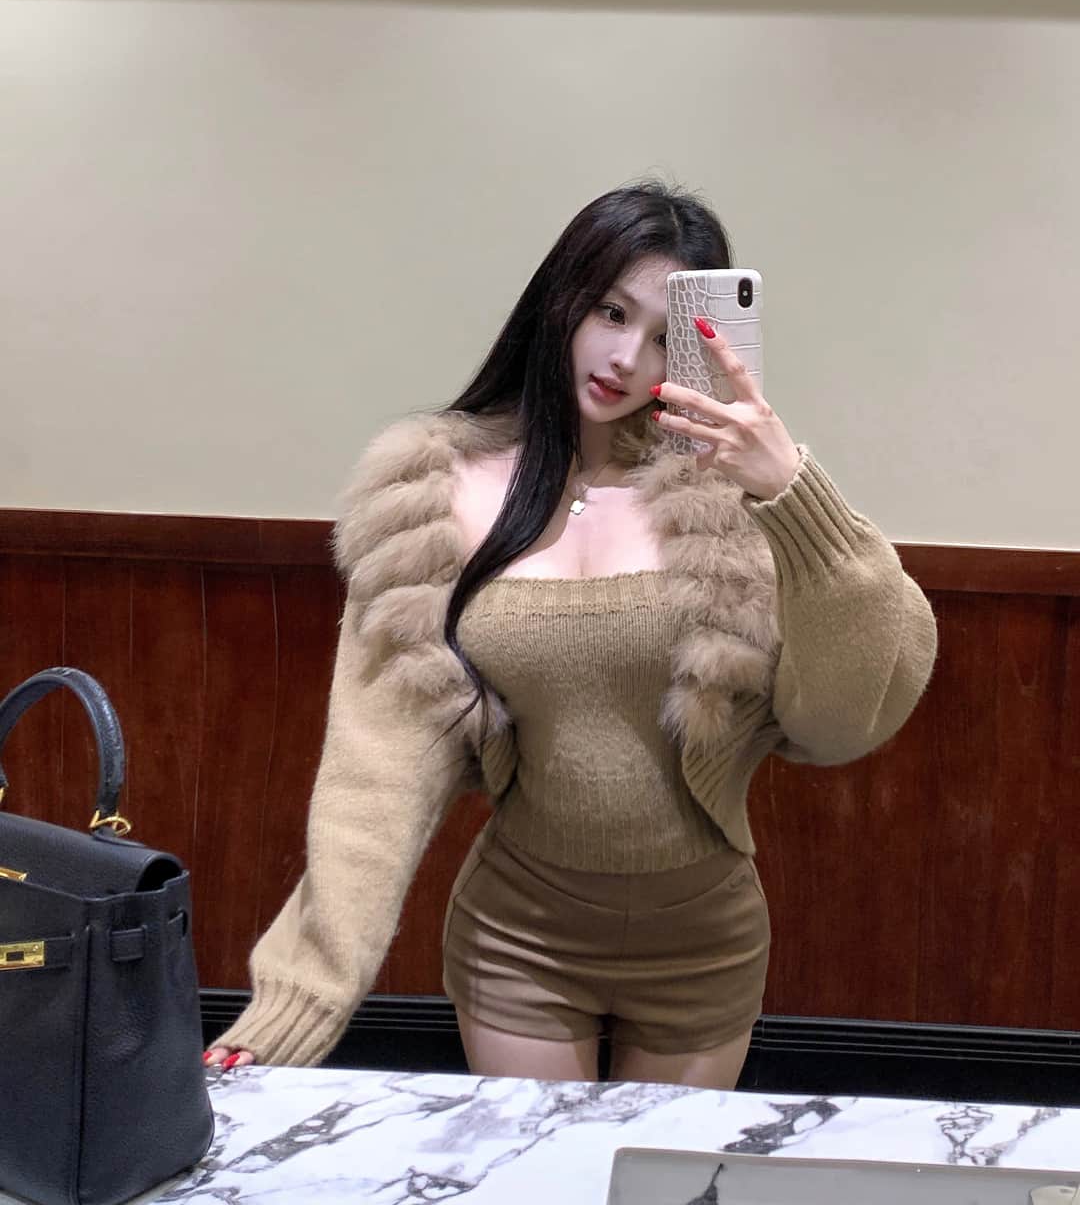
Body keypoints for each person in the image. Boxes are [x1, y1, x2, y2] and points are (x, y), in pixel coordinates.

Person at [204, 181, 937, 1087]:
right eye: (610, 311)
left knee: (657, 1170)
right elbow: (378, 769)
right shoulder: (433, 495)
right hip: (519, 938)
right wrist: (300, 999)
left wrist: (792, 489)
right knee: (535, 1166)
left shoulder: (733, 503)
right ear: (560, 301)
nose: (626, 357)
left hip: (704, 943)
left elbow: (841, 724)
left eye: (665, 336)